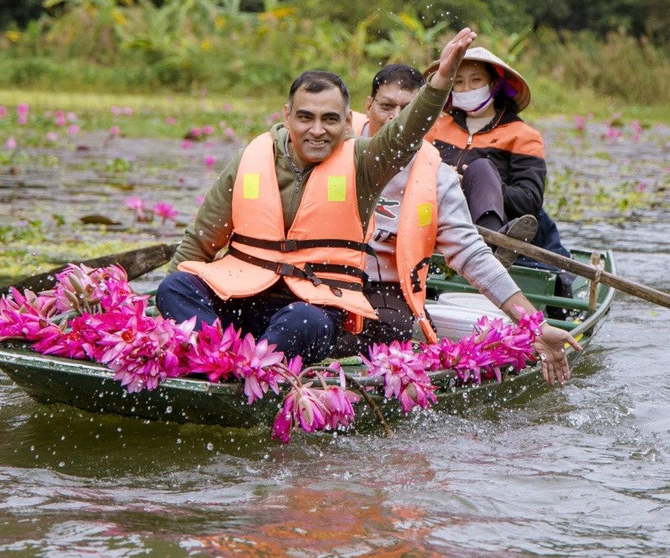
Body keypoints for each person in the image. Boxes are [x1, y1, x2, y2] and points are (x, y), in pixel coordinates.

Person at [155, 28, 478, 365]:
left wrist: (441, 81)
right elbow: (200, 242)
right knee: (174, 286)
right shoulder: (253, 157)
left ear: (348, 122)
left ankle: (255, 369)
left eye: (330, 119)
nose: (317, 130)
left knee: (302, 320)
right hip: (240, 296)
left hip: (310, 309)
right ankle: (215, 358)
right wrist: (162, 320)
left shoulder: (365, 162)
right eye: (306, 117)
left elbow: (404, 135)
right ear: (287, 115)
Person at [341, 63, 581, 384]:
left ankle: (497, 245)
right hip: (333, 282)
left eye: (475, 81)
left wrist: (532, 325)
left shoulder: (516, 137)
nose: (396, 118)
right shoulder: (337, 145)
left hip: (485, 222)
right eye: (386, 106)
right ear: (369, 106)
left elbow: (524, 202)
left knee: (481, 170)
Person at [423, 45, 571, 268]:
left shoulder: (523, 136)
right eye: (459, 82)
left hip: (496, 228)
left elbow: (529, 201)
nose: (466, 88)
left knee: (481, 168)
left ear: (492, 85)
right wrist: (447, 179)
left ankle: (490, 246)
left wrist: (478, 185)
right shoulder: (435, 128)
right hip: (439, 220)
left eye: (476, 80)